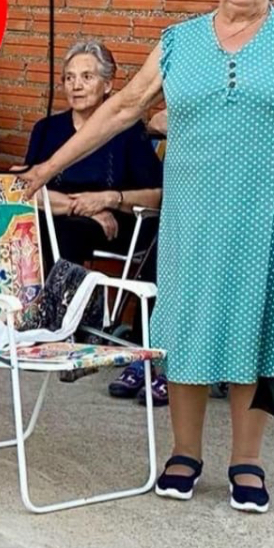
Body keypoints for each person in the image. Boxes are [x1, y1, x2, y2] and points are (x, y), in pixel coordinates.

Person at [20, 0, 274, 514]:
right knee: (188, 325)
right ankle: (184, 451)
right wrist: (45, 169)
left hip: (270, 214)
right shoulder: (179, 41)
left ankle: (247, 459)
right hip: (193, 213)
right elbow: (121, 109)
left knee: (258, 329)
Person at [23, 38, 165, 406]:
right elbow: (26, 188)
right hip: (66, 215)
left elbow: (158, 195)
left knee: (66, 231)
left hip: (121, 221)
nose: (76, 84)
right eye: (69, 77)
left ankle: (74, 332)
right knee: (46, 227)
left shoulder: (128, 131)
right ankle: (53, 327)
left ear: (108, 85)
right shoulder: (46, 130)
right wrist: (80, 206)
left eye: (87, 76)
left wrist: (109, 200)